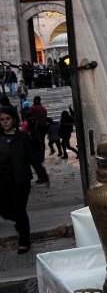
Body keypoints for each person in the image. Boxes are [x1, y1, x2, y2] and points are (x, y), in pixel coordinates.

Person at [0, 106, 49, 253]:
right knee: (4, 209)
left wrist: (43, 175)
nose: (5, 122)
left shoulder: (22, 138)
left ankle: (24, 241)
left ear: (14, 119)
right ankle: (20, 224)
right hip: (2, 180)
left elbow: (33, 158)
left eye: (7, 119)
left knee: (20, 210)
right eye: (2, 120)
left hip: (21, 180)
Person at [30, 96, 48, 162]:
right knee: (42, 140)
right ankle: (42, 156)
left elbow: (30, 116)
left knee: (36, 141)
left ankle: (37, 156)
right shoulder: (43, 108)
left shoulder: (32, 108)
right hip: (44, 126)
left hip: (36, 126)